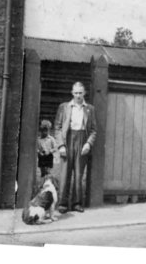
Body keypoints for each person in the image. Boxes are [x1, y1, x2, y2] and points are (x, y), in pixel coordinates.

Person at [51, 82, 97, 213]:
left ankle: (77, 203)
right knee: (65, 174)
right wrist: (60, 145)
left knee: (78, 174)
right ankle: (63, 203)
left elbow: (94, 130)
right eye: (76, 93)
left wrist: (88, 143)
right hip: (68, 140)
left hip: (82, 140)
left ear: (84, 93)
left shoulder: (90, 109)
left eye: (80, 93)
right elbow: (58, 127)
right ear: (72, 93)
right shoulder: (64, 107)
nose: (78, 95)